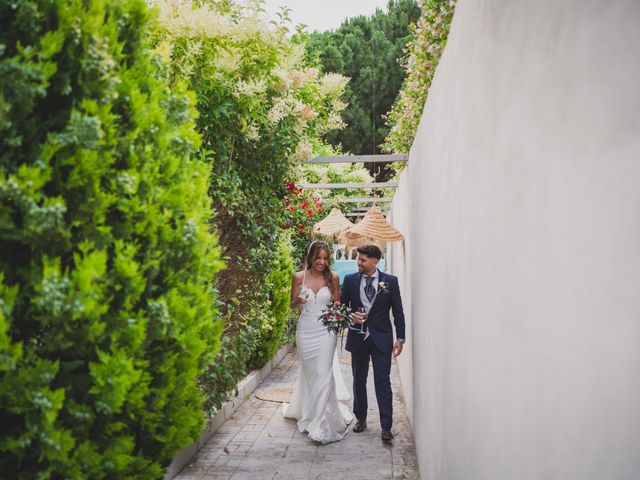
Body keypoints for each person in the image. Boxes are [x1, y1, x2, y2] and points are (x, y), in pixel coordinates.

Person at [283, 241, 353, 443]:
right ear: (310, 257)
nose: (322, 262)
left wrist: (340, 318)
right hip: (305, 331)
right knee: (311, 373)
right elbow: (292, 305)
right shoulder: (299, 277)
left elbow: (337, 306)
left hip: (326, 332)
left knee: (323, 372)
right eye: (318, 258)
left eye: (325, 258)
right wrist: (299, 301)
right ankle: (310, 411)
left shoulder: (333, 277)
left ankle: (322, 422)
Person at [340, 244, 406, 442]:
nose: (358, 262)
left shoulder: (390, 282)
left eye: (362, 260)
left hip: (382, 339)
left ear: (374, 262)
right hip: (358, 338)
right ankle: (361, 418)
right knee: (358, 380)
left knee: (382, 382)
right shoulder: (350, 280)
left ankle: (386, 426)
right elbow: (341, 308)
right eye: (358, 259)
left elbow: (398, 312)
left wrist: (400, 338)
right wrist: (352, 316)